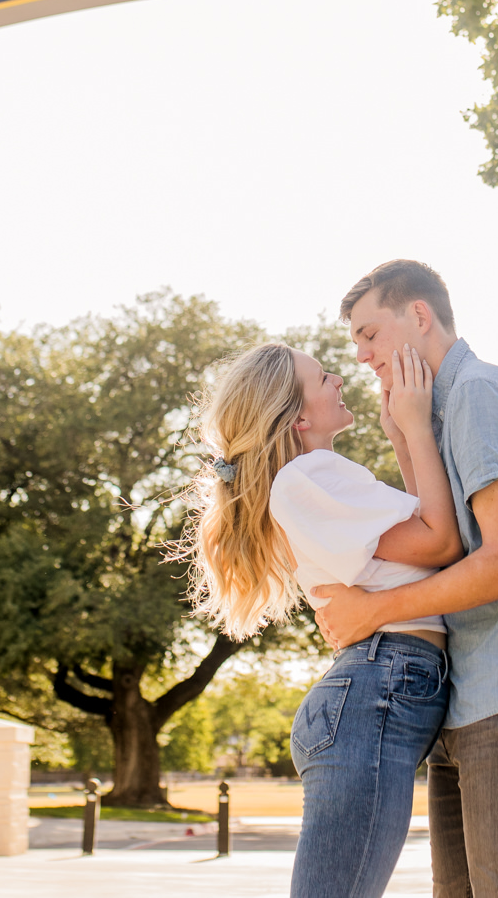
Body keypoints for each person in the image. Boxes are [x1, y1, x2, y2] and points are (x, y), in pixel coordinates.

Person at [315, 259, 498, 898]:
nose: (361, 356)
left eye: (369, 334)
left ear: (419, 316)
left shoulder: (478, 393)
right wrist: (403, 434)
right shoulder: (442, 412)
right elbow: (440, 548)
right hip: (469, 697)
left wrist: (371, 612)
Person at [179, 339, 462, 898]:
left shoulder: (317, 478)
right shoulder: (310, 477)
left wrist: (403, 436)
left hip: (382, 688)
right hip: (378, 691)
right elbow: (442, 540)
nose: (339, 378)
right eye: (323, 376)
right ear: (299, 416)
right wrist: (416, 427)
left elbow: (423, 530)